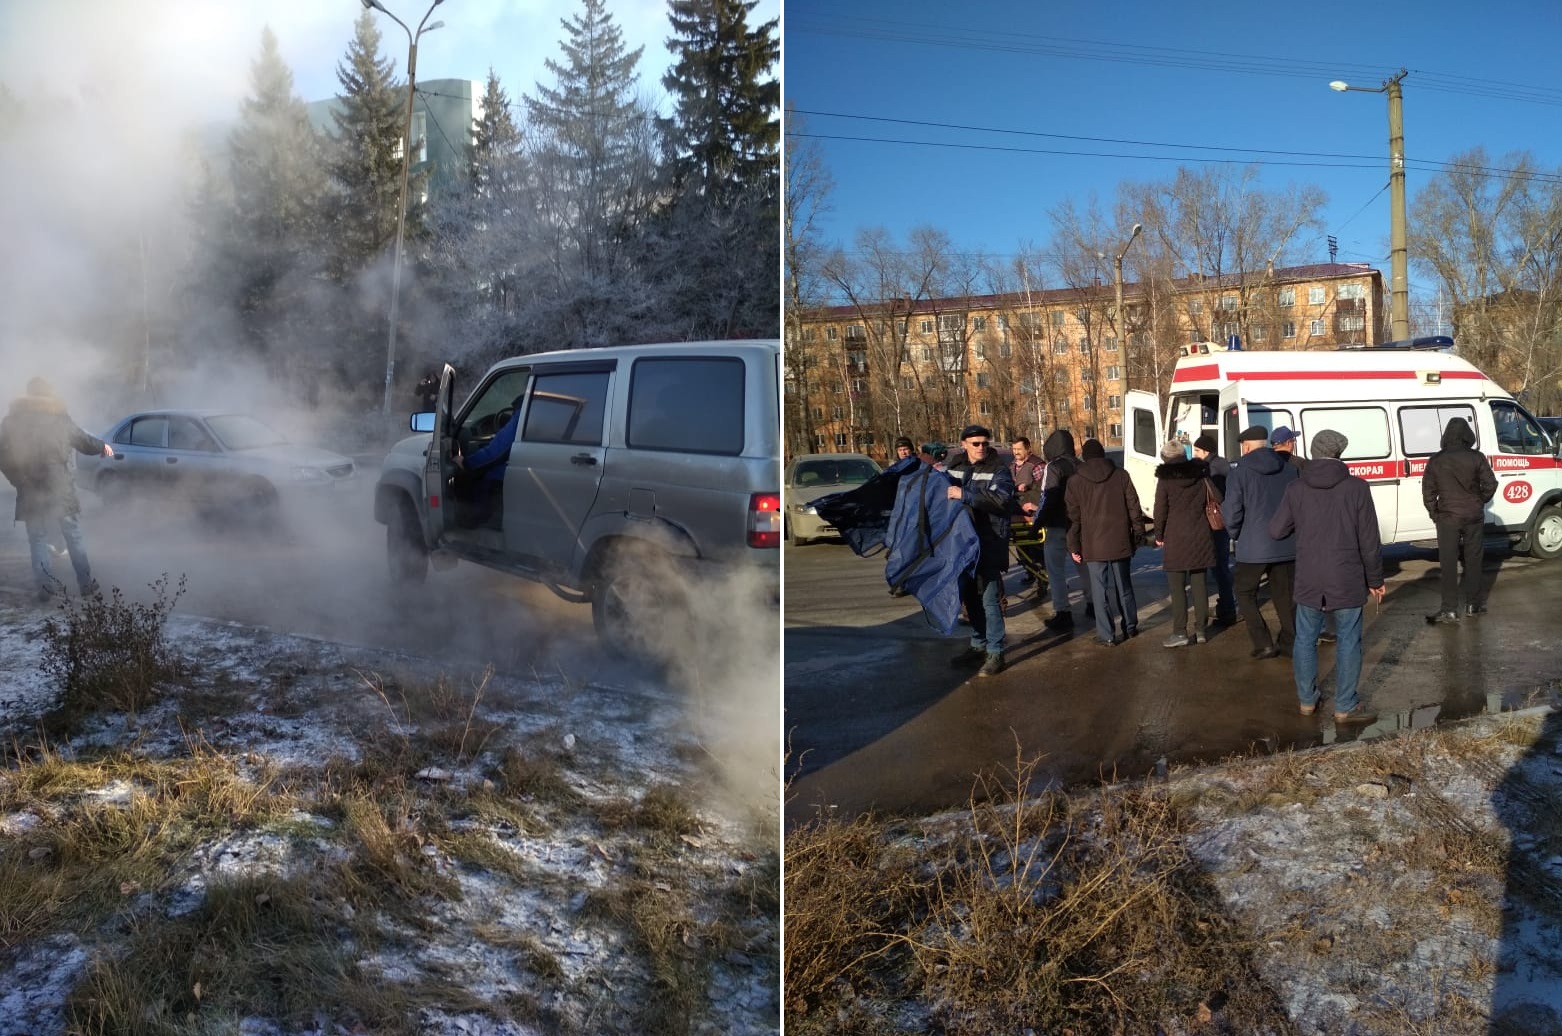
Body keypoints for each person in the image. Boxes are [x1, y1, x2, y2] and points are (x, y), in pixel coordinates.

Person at [1268, 429, 1385, 724]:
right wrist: (1375, 580)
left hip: (1309, 576)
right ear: (1339, 454)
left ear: (1314, 451)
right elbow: (1369, 541)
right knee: (1349, 640)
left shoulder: (1296, 488)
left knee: (1305, 639)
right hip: (1346, 576)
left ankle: (1307, 701)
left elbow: (1276, 530)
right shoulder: (1357, 488)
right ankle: (1345, 706)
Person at [0, 377, 113, 601]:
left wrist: (17, 480)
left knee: (38, 539)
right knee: (73, 536)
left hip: (29, 488)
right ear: (50, 395)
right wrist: (103, 446)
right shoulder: (59, 418)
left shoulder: (11, 422)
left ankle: (45, 589)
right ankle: (86, 585)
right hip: (60, 487)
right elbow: (84, 441)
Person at [1223, 424, 1300, 659]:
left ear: (1246, 447)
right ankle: (1290, 643)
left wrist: (1235, 534)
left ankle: (1263, 642)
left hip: (1253, 547)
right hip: (1286, 544)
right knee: (1285, 596)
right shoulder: (1289, 470)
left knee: (1245, 592)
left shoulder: (1239, 472)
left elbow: (1232, 511)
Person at [946, 424, 1016, 677]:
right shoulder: (954, 466)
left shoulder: (999, 470)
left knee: (989, 600)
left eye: (985, 443)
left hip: (988, 544)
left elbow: (1002, 501)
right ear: (963, 444)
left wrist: (964, 494)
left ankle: (996, 651)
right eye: (975, 443)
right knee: (970, 599)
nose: (981, 447)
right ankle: (978, 645)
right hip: (961, 547)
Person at [1066, 438, 1145, 647]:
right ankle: (1130, 627)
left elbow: (1073, 518)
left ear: (1084, 456)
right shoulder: (1121, 475)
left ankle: (1107, 635)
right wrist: (1138, 534)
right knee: (1124, 586)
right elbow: (1134, 509)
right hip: (1120, 540)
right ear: (1104, 454)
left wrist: (1073, 545)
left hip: (1092, 543)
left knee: (1099, 590)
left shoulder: (1075, 481)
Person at [1421, 416, 1497, 623]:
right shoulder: (1477, 457)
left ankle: (1449, 609)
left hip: (1447, 518)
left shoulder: (1436, 460)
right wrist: (1479, 501)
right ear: (1467, 435)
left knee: (1448, 564)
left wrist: (1435, 513)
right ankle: (1474, 605)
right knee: (1473, 561)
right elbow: (1491, 484)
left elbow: (1428, 492)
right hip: (1473, 516)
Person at [1153, 439, 1218, 647]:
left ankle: (1180, 632)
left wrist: (1158, 534)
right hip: (1200, 534)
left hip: (1176, 537)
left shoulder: (1165, 480)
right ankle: (1201, 630)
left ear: (1166, 457)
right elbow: (1217, 496)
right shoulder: (1200, 474)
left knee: (1177, 587)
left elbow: (1160, 510)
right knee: (1199, 585)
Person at [1032, 429, 1081, 630]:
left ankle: (1063, 612)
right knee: (1084, 566)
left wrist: (1037, 523)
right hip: (1080, 525)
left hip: (1057, 525)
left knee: (1056, 571)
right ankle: (1093, 605)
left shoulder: (1053, 467)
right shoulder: (1081, 465)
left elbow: (1048, 497)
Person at [452, 395, 524, 527]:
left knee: (480, 476)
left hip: (517, 477)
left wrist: (466, 463)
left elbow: (497, 451)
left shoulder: (526, 410)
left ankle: (474, 525)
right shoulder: (540, 407)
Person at [1191, 433, 1237, 624]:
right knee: (1221, 565)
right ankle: (1225, 605)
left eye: (1196, 450)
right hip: (1223, 520)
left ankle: (1227, 608)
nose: (1194, 453)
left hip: (1215, 522)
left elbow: (1214, 495)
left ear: (1205, 451)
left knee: (1219, 567)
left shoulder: (1211, 468)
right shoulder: (1223, 463)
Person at [1009, 436, 1046, 586]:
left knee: (1036, 548)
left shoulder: (1036, 465)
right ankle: (1029, 572)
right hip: (1017, 513)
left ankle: (1042, 577)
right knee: (1021, 547)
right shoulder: (1011, 465)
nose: (1016, 452)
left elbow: (1042, 489)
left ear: (1028, 448)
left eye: (1019, 449)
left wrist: (1029, 490)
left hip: (1032, 514)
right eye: (1014, 449)